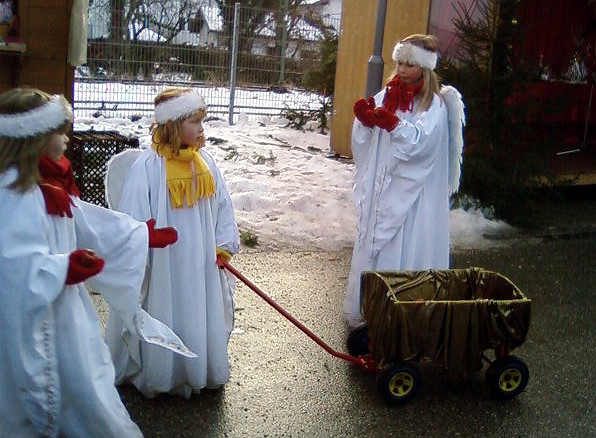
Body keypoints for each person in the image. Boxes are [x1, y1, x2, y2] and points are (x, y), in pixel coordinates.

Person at [0, 87, 194, 437]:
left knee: (87, 387)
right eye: (58, 133)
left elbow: (87, 223)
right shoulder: (12, 195)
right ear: (33, 139)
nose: (65, 139)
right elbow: (12, 269)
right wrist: (62, 269)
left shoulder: (48, 186)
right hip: (30, 324)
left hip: (66, 317)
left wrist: (138, 235)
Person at [104, 87, 240, 398]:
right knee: (165, 304)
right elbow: (133, 215)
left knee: (196, 307)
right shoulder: (149, 168)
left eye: (202, 121)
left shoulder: (205, 163)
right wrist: (142, 243)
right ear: (172, 125)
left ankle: (197, 369)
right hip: (164, 261)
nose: (202, 129)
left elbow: (222, 205)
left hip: (200, 260)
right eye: (194, 121)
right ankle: (163, 371)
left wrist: (222, 245)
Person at [343, 34, 465, 328]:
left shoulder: (433, 105)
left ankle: (401, 313)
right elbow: (367, 137)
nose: (401, 69)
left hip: (412, 196)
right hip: (384, 188)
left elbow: (422, 145)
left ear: (425, 68)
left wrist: (394, 126)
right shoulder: (388, 94)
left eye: (409, 64)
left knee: (402, 242)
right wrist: (365, 122)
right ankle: (372, 307)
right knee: (378, 242)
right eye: (399, 62)